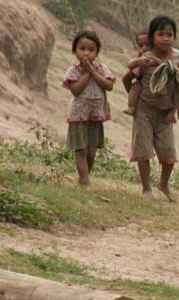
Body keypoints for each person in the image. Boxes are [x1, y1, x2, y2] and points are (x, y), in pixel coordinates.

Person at [130, 15, 179, 202]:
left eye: (169, 34)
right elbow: (130, 69)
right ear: (152, 37)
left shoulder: (175, 57)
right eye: (161, 34)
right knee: (143, 151)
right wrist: (138, 64)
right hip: (144, 110)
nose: (165, 38)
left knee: (169, 153)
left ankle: (164, 184)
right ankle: (146, 188)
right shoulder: (147, 57)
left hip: (166, 113)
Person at [62, 31, 115, 186]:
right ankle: (85, 181)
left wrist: (93, 71)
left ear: (97, 52)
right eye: (82, 49)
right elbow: (76, 90)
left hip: (96, 115)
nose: (86, 53)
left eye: (91, 50)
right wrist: (86, 73)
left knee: (91, 151)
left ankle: (83, 178)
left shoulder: (103, 69)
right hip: (78, 115)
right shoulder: (73, 71)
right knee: (80, 149)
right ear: (75, 51)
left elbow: (109, 86)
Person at [122, 30, 179, 116]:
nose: (144, 48)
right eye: (140, 46)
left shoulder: (166, 54)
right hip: (143, 87)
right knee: (135, 87)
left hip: (163, 89)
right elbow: (129, 70)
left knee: (175, 90)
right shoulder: (141, 56)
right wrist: (138, 63)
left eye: (147, 45)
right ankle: (131, 107)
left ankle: (171, 114)